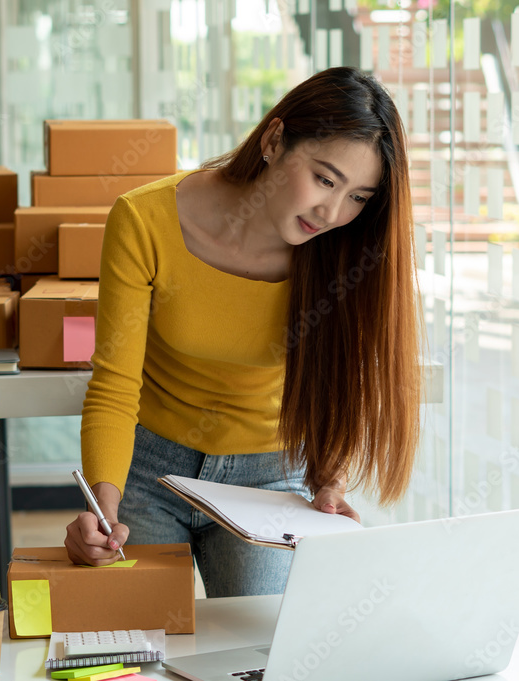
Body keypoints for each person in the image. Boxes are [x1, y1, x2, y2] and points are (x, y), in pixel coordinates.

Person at [65, 66, 422, 597]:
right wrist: (102, 508)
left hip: (269, 479)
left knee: (258, 649)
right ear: (275, 140)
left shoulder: (341, 250)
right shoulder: (145, 220)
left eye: (358, 197)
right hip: (150, 473)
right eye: (324, 179)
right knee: (140, 643)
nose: (332, 212)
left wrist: (329, 481)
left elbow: (337, 378)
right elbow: (115, 386)